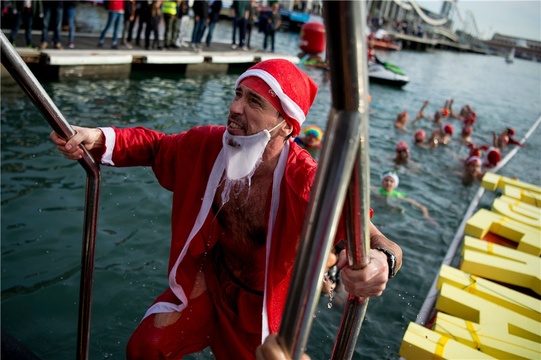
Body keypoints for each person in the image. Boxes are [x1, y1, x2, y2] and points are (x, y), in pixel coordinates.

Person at [50, 59, 402, 359]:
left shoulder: (307, 182)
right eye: (237, 95)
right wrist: (98, 137)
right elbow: (157, 148)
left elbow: (374, 238)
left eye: (254, 102)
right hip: (209, 281)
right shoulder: (208, 145)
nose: (235, 108)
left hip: (261, 309)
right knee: (147, 347)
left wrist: (381, 262)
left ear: (287, 124)